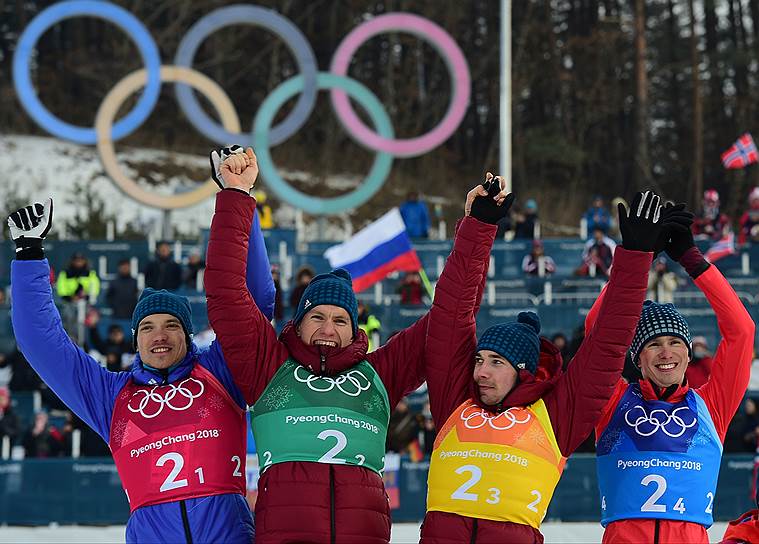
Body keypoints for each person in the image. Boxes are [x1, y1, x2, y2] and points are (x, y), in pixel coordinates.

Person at [7, 188, 274, 543]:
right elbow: (42, 345)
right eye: (147, 327)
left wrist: (240, 199)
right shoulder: (112, 397)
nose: (159, 335)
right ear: (136, 340)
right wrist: (28, 257)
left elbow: (254, 305)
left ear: (188, 335)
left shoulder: (219, 372)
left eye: (171, 325)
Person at [204, 146, 436, 544]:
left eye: (340, 319)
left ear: (353, 330)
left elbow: (447, 319)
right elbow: (226, 291)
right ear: (299, 322)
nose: (328, 328)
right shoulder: (268, 366)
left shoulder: (379, 375)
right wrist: (237, 194)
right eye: (317, 316)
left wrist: (478, 229)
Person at [420, 185, 666, 543]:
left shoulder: (554, 416)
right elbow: (450, 314)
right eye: (479, 360)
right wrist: (480, 226)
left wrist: (635, 258)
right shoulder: (456, 399)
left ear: (523, 371)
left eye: (496, 363)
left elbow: (608, 344)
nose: (481, 372)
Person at [591, 204, 755, 544]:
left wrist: (693, 261)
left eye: (675, 342)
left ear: (689, 351)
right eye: (654, 345)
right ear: (637, 357)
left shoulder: (712, 406)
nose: (667, 353)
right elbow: (596, 332)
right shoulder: (612, 401)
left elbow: (741, 330)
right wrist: (637, 259)